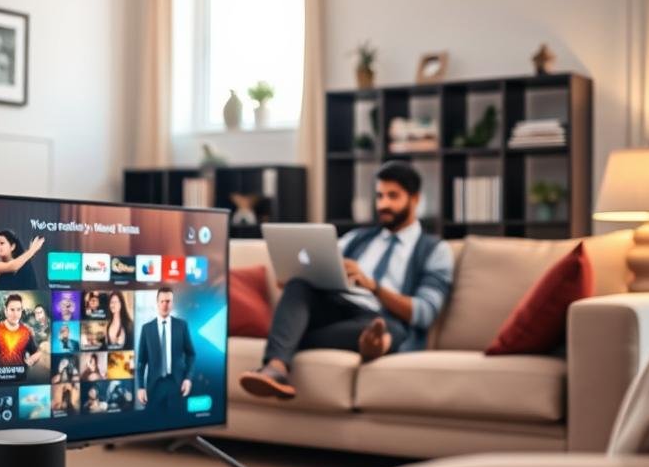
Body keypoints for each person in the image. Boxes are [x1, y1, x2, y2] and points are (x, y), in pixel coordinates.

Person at [240, 160, 454, 399]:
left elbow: (423, 313)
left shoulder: (435, 250)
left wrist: (374, 287)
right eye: (380, 196)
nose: (384, 204)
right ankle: (275, 370)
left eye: (393, 196)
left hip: (383, 319)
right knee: (299, 285)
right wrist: (294, 275)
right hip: (338, 310)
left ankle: (365, 342)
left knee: (388, 328)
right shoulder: (355, 238)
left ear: (415, 199)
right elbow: (320, 267)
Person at [135, 287, 195, 412]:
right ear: (157, 303)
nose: (164, 304)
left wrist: (188, 379)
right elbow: (141, 361)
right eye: (162, 301)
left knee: (177, 424)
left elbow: (191, 354)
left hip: (177, 384)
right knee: (153, 425)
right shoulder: (146, 329)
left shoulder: (181, 326)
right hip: (154, 386)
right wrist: (140, 387)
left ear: (172, 303)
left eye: (168, 301)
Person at [0, 293, 42, 383]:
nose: (16, 314)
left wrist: (33, 358)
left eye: (18, 310)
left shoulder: (26, 331)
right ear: (5, 311)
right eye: (12, 310)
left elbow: (36, 352)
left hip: (19, 381)